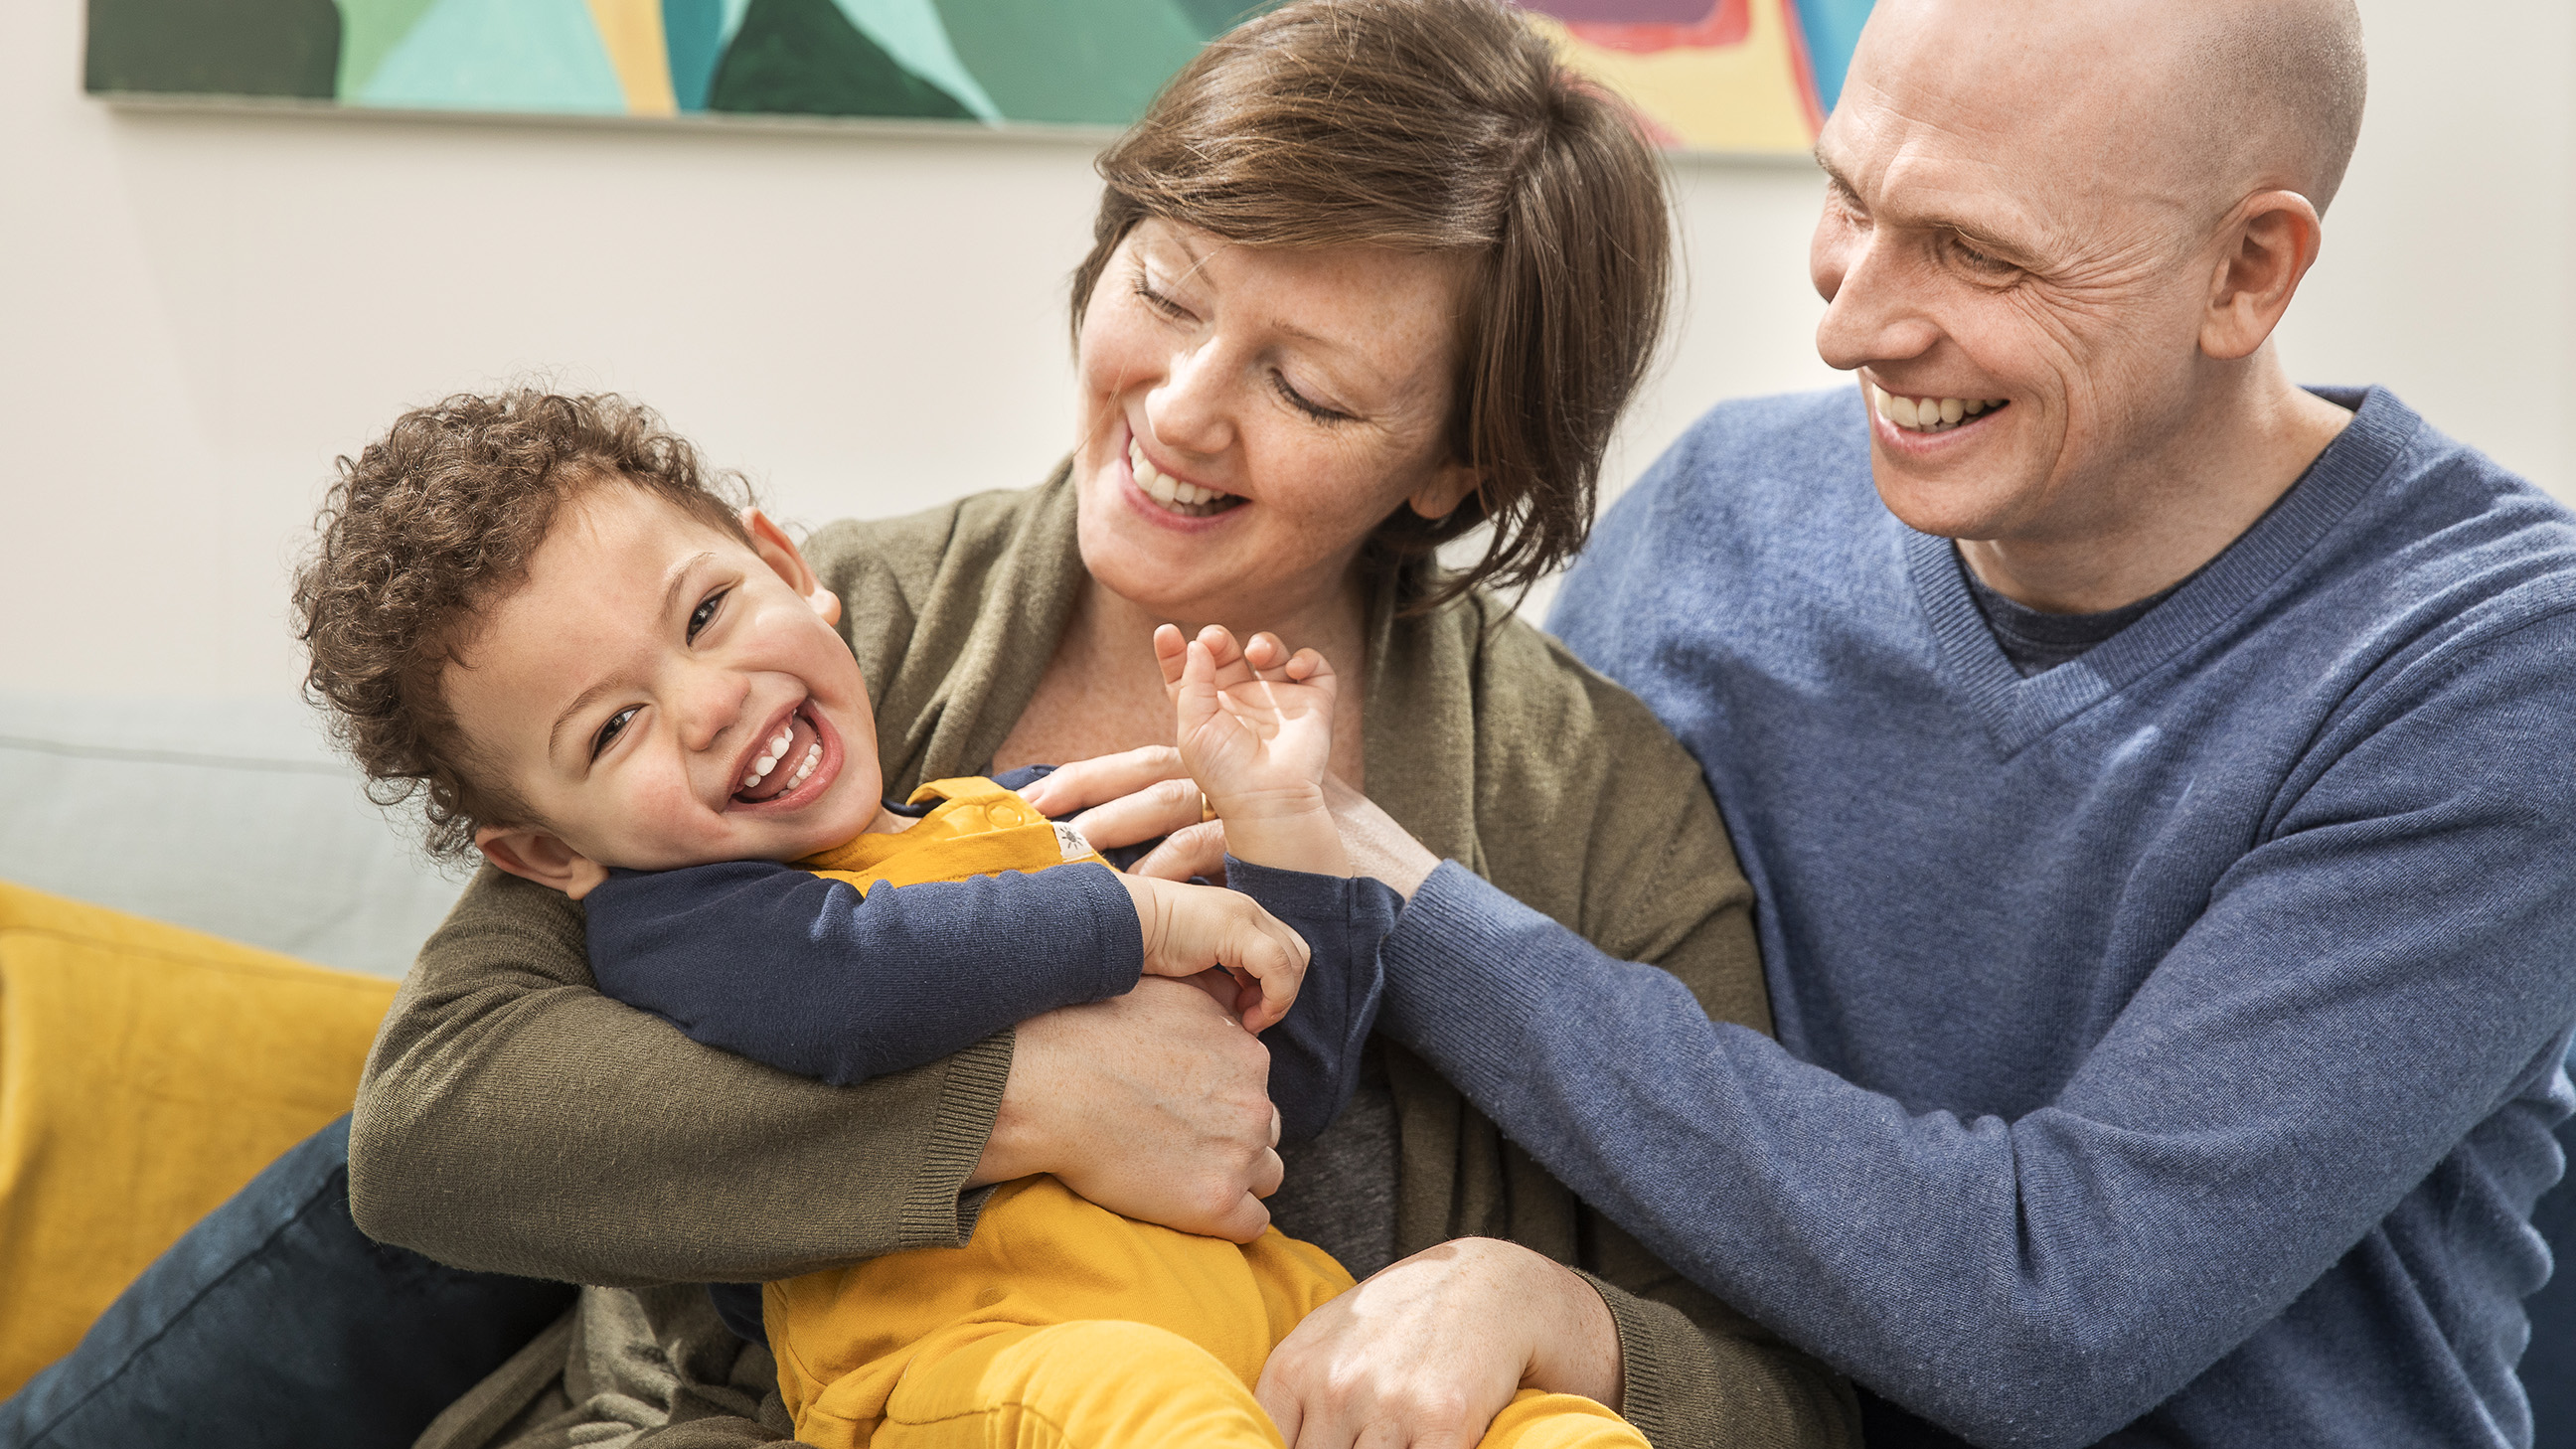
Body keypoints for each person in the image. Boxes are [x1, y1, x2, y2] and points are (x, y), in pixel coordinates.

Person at [1039, 0, 2576, 1444]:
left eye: (1975, 252)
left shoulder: (2493, 663)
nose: (1852, 330)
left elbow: (2053, 1312)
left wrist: (1405, 904)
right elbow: (1547, 1124)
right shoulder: (1719, 514)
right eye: (1852, 204)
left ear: (2247, 270)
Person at [324, 3, 1856, 1448]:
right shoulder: (814, 635)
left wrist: (1542, 1311)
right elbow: (439, 1120)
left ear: (1455, 463)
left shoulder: (1592, 798)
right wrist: (1023, 1105)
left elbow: (1790, 1383)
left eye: (1305, 388)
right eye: (1166, 289)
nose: (1179, 409)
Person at [290, 387, 1654, 1449]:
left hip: (1256, 1328)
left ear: (782, 560)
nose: (706, 701)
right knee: (1139, 1402)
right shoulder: (680, 926)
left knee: (1549, 1426)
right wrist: (1136, 923)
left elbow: (1261, 1103)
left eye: (708, 611)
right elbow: (855, 986)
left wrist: (1287, 839)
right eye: (614, 726)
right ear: (543, 847)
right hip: (974, 1371)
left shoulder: (996, 821)